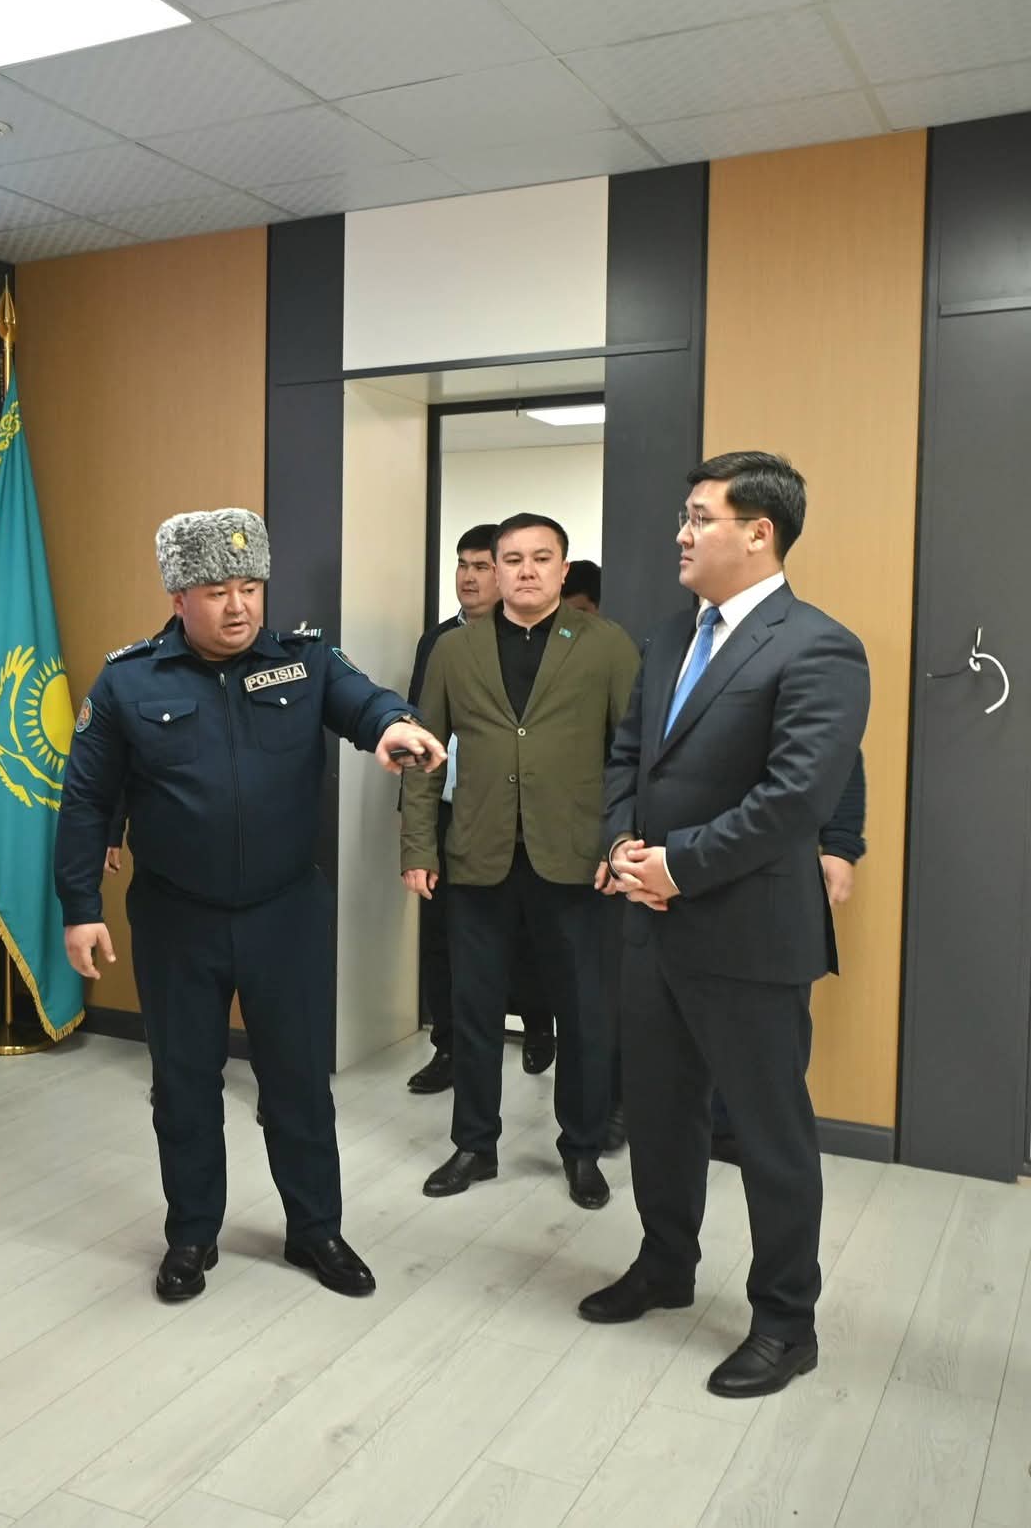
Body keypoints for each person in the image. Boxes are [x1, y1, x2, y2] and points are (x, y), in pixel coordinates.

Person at [56, 507, 446, 1303]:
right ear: (177, 597)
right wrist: (80, 904)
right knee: (184, 1086)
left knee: (298, 1082)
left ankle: (315, 1229)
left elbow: (363, 701)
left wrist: (393, 726)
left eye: (250, 586)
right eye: (216, 590)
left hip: (285, 913)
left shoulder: (304, 662)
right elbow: (86, 799)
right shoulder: (129, 681)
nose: (239, 606)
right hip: (177, 919)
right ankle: (192, 1233)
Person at [585, 451, 868, 1400]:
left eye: (700, 517)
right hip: (651, 926)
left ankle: (786, 1321)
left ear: (760, 532)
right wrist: (621, 841)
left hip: (749, 935)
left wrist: (679, 865)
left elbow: (794, 799)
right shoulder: (671, 636)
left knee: (767, 1135)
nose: (682, 532)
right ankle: (665, 1264)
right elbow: (629, 754)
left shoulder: (820, 647)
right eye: (685, 515)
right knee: (660, 1114)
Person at [402, 513, 639, 1209]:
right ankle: (475, 1144)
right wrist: (418, 846)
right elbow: (423, 753)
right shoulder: (454, 649)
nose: (527, 570)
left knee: (583, 1012)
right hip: (478, 855)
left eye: (542, 558)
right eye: (512, 559)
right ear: (496, 569)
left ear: (564, 570)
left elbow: (633, 757)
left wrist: (622, 841)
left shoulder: (607, 645)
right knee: (474, 1008)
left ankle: (582, 1148)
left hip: (578, 857)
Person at [404, 525, 557, 1095]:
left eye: (481, 566)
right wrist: (416, 828)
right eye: (461, 565)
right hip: (453, 811)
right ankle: (450, 1047)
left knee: (527, 929)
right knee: (443, 938)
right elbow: (420, 727)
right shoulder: (440, 642)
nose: (468, 577)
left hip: (519, 813)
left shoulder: (541, 641)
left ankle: (538, 1023)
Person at [710, 752, 867, 1164]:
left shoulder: (809, 708)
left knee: (775, 1027)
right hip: (686, 868)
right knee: (695, 1013)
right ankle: (713, 1127)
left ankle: (757, 1136)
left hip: (779, 877)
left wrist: (840, 845)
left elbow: (840, 758)